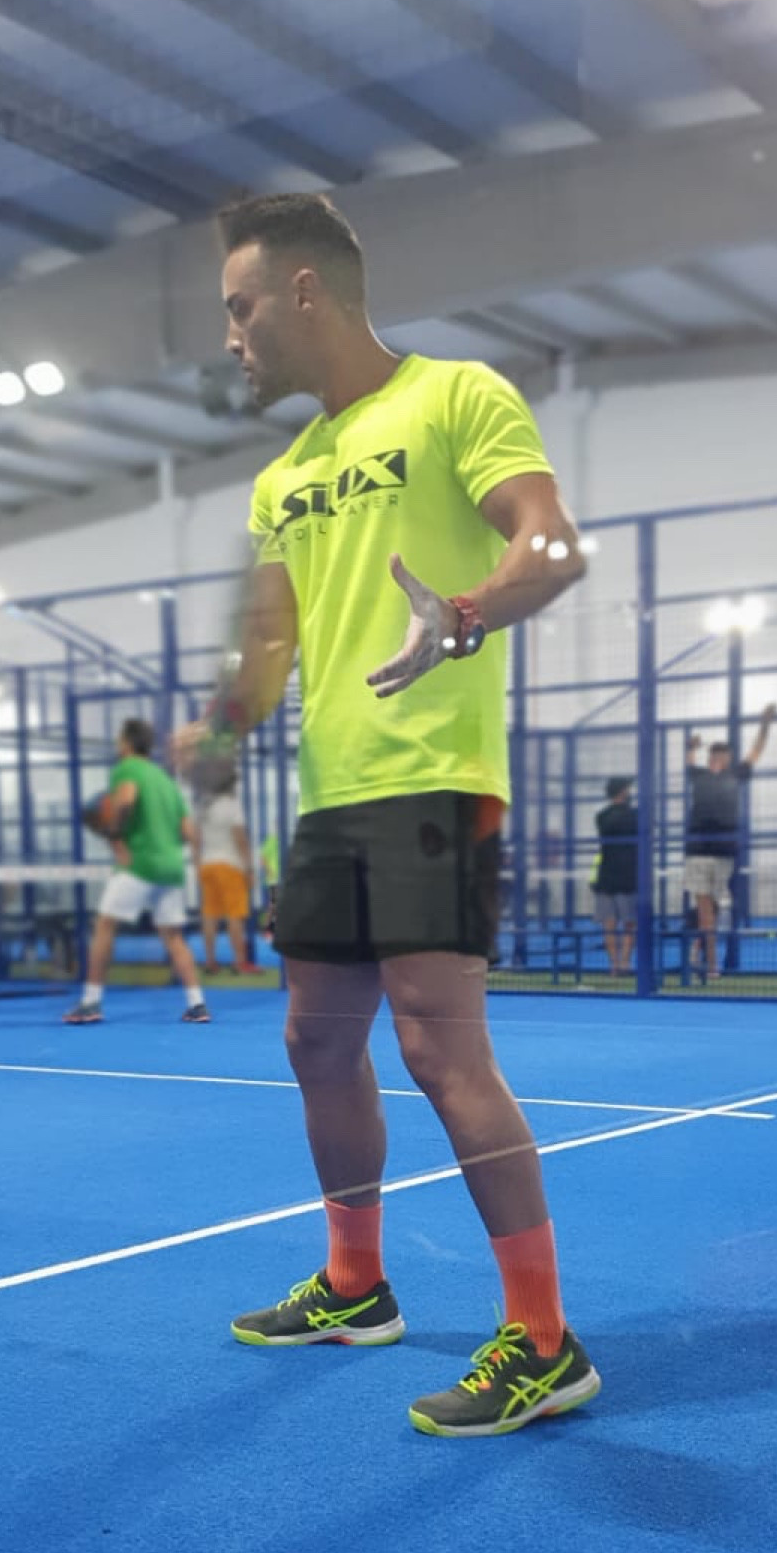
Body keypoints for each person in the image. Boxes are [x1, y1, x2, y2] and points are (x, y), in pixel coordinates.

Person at [174, 189, 598, 1438]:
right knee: (316, 1043)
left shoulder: (456, 396)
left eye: (242, 307)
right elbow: (268, 649)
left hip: (435, 778)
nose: (233, 337)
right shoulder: (283, 477)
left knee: (438, 1050)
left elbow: (554, 547)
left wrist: (462, 614)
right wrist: (221, 730)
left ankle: (544, 1342)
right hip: (331, 797)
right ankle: (355, 1285)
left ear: (306, 290)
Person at [64, 718, 210, 1024]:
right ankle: (197, 1004)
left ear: (126, 742)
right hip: (171, 868)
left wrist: (114, 835)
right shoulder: (165, 780)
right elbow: (189, 831)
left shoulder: (127, 768)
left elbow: (126, 800)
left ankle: (90, 1002)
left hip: (140, 864)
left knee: (105, 926)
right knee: (174, 937)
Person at [683, 707, 775, 980]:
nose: (723, 759)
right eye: (719, 755)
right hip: (698, 852)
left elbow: (756, 752)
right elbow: (690, 760)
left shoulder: (734, 775)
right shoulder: (699, 775)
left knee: (714, 908)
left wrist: (764, 725)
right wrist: (691, 747)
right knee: (706, 910)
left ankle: (700, 952)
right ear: (714, 758)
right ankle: (711, 964)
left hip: (723, 852)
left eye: (726, 756)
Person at [195, 759, 260, 974]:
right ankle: (239, 962)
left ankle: (210, 961)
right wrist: (249, 869)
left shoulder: (203, 806)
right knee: (234, 915)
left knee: (210, 915)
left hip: (207, 864)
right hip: (230, 865)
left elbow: (196, 839)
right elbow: (240, 839)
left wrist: (197, 864)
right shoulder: (232, 805)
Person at [593, 774, 638, 977]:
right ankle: (624, 964)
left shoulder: (602, 816)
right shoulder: (634, 815)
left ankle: (616, 965)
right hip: (628, 877)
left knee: (610, 924)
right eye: (628, 788)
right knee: (628, 924)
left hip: (607, 876)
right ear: (623, 791)